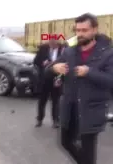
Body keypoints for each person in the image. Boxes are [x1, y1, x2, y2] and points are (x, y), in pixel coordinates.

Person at [48, 13, 113, 164]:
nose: (80, 34)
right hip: (70, 107)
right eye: (77, 30)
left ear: (94, 30)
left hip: (91, 109)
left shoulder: (107, 54)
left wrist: (89, 72)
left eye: (84, 30)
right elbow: (48, 71)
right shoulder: (70, 51)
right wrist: (54, 68)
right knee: (65, 142)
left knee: (88, 150)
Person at [33, 39, 63, 128]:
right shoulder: (43, 48)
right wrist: (43, 63)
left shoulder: (63, 50)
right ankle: (39, 119)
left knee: (56, 101)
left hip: (57, 79)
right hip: (44, 79)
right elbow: (35, 61)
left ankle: (55, 121)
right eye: (51, 44)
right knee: (42, 101)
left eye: (55, 45)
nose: (52, 47)